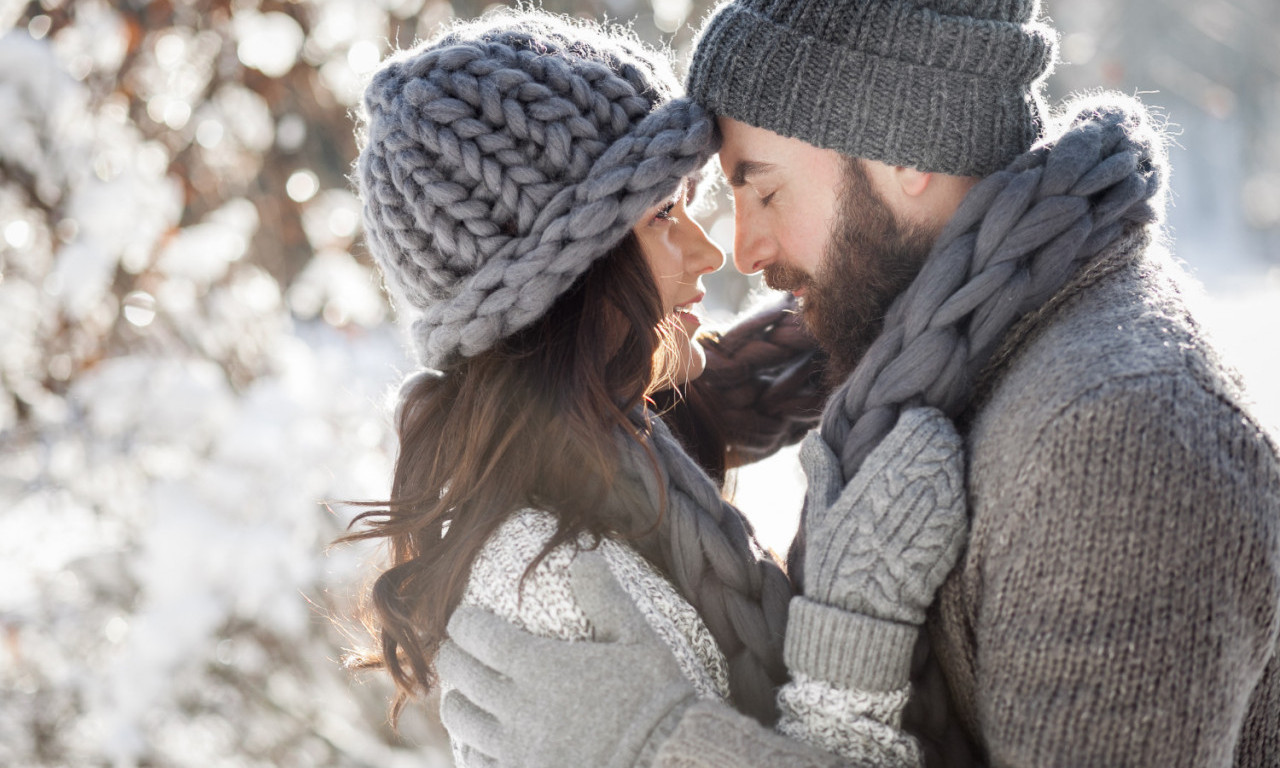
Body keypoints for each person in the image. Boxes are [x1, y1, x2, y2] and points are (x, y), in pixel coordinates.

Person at [441, 0, 1280, 766]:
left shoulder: (1121, 435)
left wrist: (660, 746)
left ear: (904, 148)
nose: (745, 252)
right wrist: (675, 414)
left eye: (761, 189)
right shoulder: (934, 369)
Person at [345, 10, 969, 768]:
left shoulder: (608, 473)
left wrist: (844, 337)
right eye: (665, 215)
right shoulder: (548, 579)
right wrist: (856, 622)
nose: (710, 252)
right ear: (565, 278)